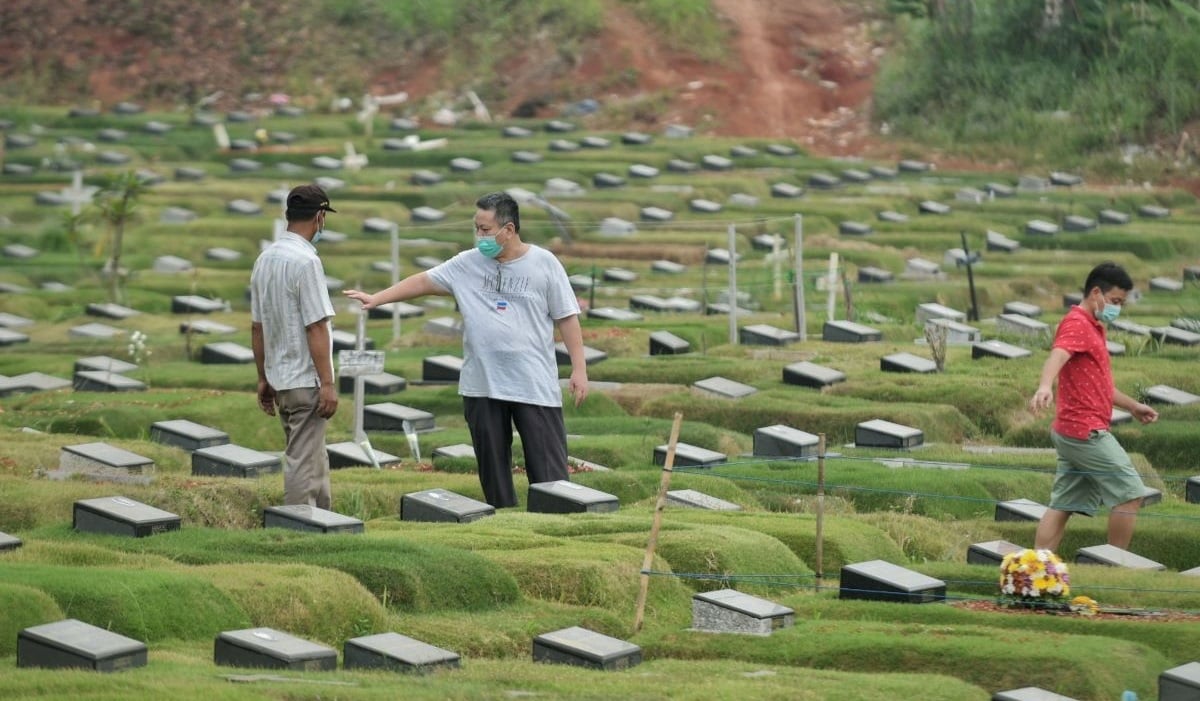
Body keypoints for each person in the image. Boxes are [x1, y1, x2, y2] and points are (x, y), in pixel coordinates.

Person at [344, 191, 588, 507]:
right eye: (477, 228)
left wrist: (579, 370)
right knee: (492, 467)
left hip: (533, 384)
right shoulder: (467, 264)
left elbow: (567, 318)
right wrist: (378, 298)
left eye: (485, 230)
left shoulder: (545, 264)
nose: (479, 236)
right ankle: (503, 521)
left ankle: (556, 524)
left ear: (509, 230)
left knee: (549, 473)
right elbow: (422, 281)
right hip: (482, 385)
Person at [1028, 261, 1157, 551]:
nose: (1117, 309)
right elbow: (1057, 356)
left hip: (1072, 430)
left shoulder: (1094, 326)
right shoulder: (1077, 323)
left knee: (1063, 504)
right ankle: (1116, 567)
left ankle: (1036, 571)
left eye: (1122, 303)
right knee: (1130, 493)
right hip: (1085, 431)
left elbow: (1101, 385)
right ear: (1095, 292)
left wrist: (1133, 406)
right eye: (1114, 301)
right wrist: (1045, 385)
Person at [250, 184, 339, 509]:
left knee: (314, 458)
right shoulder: (306, 262)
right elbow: (316, 325)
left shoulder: (265, 259)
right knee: (303, 462)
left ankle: (326, 525)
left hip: (280, 379)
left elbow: (257, 326)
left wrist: (262, 378)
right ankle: (298, 528)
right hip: (305, 380)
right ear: (319, 217)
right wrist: (327, 382)